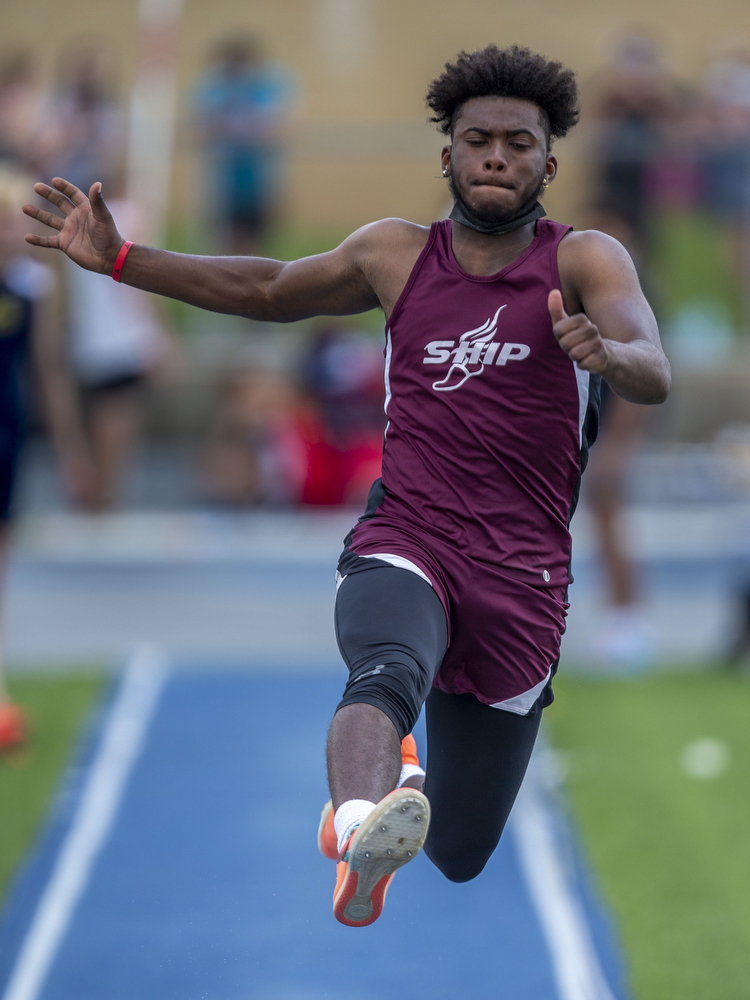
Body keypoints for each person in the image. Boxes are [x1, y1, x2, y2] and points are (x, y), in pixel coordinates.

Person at [23, 45, 671, 925]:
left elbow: (652, 367)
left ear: (548, 163)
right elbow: (267, 288)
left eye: (517, 144)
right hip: (410, 534)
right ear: (446, 155)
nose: (495, 156)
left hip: (524, 577)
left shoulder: (584, 262)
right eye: (476, 139)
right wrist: (127, 259)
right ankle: (361, 820)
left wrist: (610, 354)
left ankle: (388, 794)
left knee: (460, 851)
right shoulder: (395, 255)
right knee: (385, 666)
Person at [0, 167, 95, 749]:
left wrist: (71, 451)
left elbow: (49, 371)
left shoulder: (31, 287)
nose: (11, 232)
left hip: (8, 434)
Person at [192, 36, 295, 255]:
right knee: (222, 247)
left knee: (256, 248)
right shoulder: (214, 89)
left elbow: (278, 130)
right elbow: (200, 129)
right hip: (223, 183)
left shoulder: (265, 89)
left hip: (259, 182)